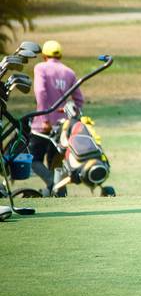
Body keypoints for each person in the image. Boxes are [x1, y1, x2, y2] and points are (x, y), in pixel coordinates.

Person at [29, 40, 83, 196]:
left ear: (44, 55)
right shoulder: (69, 72)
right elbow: (79, 100)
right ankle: (58, 192)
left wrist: (45, 118)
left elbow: (40, 92)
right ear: (60, 54)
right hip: (63, 125)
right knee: (55, 162)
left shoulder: (40, 68)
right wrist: (71, 119)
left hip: (42, 124)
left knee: (33, 159)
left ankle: (53, 184)